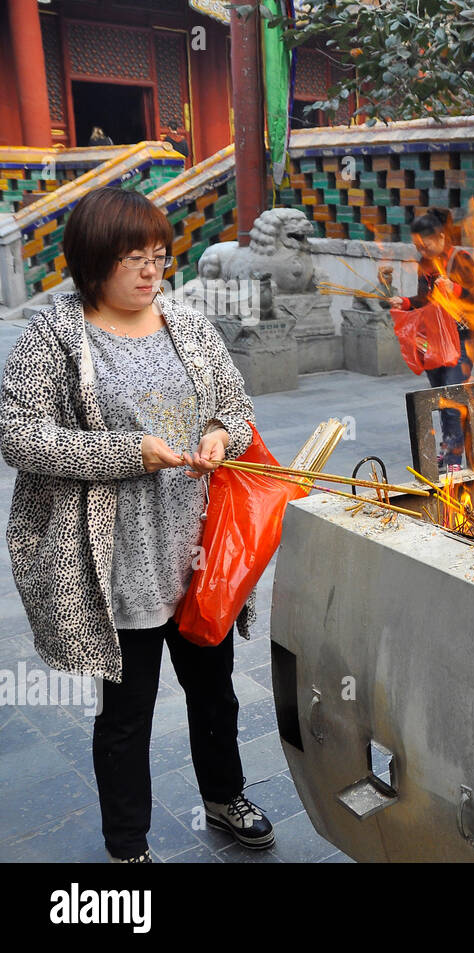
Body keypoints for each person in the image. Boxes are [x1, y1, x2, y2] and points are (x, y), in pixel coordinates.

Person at [0, 186, 275, 863]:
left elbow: (236, 407)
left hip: (199, 555)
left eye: (158, 255)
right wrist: (129, 451)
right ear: (94, 261)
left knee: (215, 693)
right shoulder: (54, 336)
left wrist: (217, 434)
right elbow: (19, 435)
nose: (151, 271)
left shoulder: (186, 322)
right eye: (133, 258)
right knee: (126, 717)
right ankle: (128, 845)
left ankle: (224, 794)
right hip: (117, 562)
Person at [388, 209, 474, 470]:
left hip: (461, 340)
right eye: (418, 244)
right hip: (434, 339)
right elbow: (425, 301)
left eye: (425, 243)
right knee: (439, 399)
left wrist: (454, 289)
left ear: (441, 237)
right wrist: (406, 302)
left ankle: (455, 459)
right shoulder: (425, 263)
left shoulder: (460, 259)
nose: (422, 248)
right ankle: (448, 448)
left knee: (452, 397)